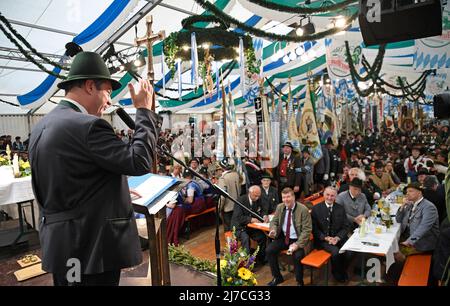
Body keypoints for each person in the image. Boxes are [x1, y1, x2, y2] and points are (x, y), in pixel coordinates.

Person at [28, 52, 161, 286]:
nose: (109, 101)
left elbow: (68, 180)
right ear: (90, 86)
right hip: (90, 247)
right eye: (107, 92)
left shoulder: (42, 125)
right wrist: (144, 111)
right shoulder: (88, 126)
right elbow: (139, 161)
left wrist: (111, 192)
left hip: (62, 245)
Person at [266, 188, 312, 286]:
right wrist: (273, 229)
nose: (286, 200)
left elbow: (307, 230)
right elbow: (274, 221)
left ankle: (299, 281)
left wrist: (298, 244)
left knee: (298, 256)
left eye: (288, 197)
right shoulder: (280, 207)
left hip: (297, 239)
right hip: (284, 238)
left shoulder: (303, 209)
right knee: (269, 250)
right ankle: (277, 277)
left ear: (293, 197)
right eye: (284, 197)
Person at [311, 186, 350, 282]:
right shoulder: (316, 209)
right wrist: (326, 238)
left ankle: (342, 269)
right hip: (323, 240)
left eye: (332, 196)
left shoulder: (340, 208)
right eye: (327, 195)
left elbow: (346, 227)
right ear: (323, 194)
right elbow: (314, 229)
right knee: (336, 252)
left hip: (337, 237)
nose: (329, 197)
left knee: (349, 250)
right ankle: (336, 273)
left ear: (335, 196)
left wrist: (337, 237)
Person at [395, 182, 440, 260]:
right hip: (407, 237)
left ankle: (405, 266)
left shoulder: (429, 207)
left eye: (411, 191)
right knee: (392, 247)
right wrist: (402, 206)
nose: (407, 193)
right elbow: (398, 219)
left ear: (419, 193)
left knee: (395, 253)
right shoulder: (410, 204)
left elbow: (424, 227)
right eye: (407, 192)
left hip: (421, 243)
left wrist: (409, 242)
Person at [166, 169, 206, 246]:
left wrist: (183, 200)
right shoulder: (194, 182)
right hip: (201, 202)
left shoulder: (190, 185)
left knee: (177, 211)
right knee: (178, 210)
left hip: (197, 204)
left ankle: (172, 235)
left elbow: (190, 201)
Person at [231, 185, 268, 264]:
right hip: (239, 226)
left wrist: (264, 215)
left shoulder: (258, 198)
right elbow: (238, 217)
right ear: (250, 193)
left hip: (250, 227)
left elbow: (264, 208)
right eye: (255, 196)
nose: (257, 198)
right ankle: (246, 263)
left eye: (259, 196)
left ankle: (261, 257)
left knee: (262, 237)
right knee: (245, 239)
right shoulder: (241, 200)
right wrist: (250, 219)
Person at [217, 158, 241, 231]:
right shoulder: (236, 175)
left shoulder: (223, 178)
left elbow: (222, 197)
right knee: (236, 228)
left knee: (229, 231)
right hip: (237, 205)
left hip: (228, 208)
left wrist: (219, 208)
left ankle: (231, 243)